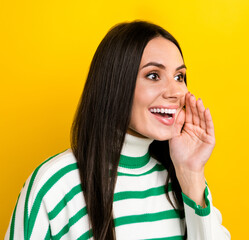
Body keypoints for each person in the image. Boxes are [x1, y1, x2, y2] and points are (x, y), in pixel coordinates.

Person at [5, 20, 231, 240]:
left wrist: (192, 173)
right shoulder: (56, 184)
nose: (175, 92)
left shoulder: (186, 181)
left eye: (179, 76)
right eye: (153, 75)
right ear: (116, 83)